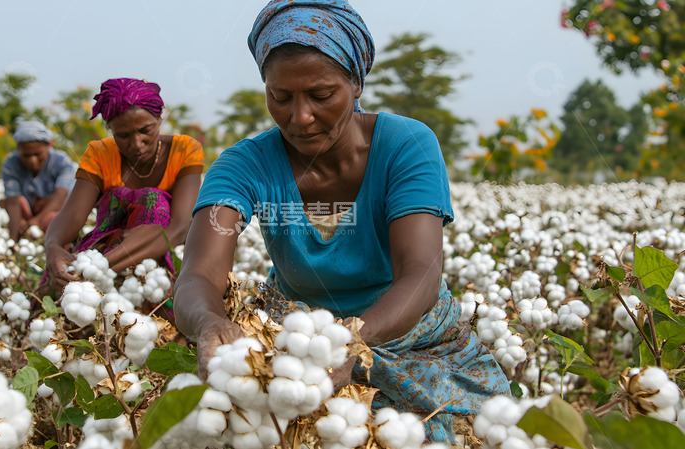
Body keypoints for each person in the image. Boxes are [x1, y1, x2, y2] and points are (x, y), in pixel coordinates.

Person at [172, 0, 509, 443]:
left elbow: (420, 272)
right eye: (281, 97)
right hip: (298, 351)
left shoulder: (406, 145)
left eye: (321, 95)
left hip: (413, 338)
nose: (300, 117)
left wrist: (352, 341)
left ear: (356, 84)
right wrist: (208, 322)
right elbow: (199, 271)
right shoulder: (243, 165)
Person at [43, 78, 204, 294]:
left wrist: (105, 266)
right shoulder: (100, 154)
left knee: (153, 199)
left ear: (159, 118)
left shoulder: (184, 150)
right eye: (123, 135)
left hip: (161, 260)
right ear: (110, 129)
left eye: (146, 130)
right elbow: (71, 216)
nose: (137, 144)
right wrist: (52, 245)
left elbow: (180, 226)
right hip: (107, 250)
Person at [0, 120, 76, 241]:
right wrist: (12, 240)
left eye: (37, 154)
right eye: (26, 155)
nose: (32, 160)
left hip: (53, 209)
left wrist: (38, 220)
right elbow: (13, 201)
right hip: (26, 210)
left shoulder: (62, 162)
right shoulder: (11, 163)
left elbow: (60, 195)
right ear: (19, 149)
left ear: (50, 145)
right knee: (8, 206)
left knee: (52, 219)